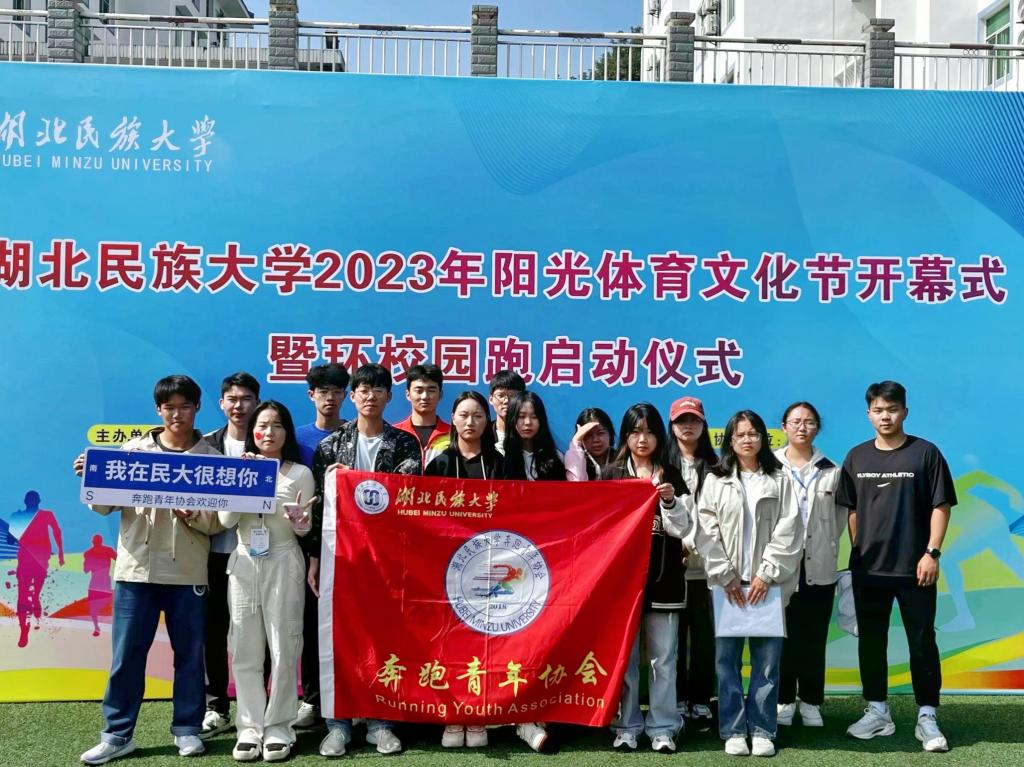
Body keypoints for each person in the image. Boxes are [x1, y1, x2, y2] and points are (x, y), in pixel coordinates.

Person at [72, 375, 225, 765]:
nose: (177, 414)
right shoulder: (132, 451)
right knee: (127, 657)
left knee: (189, 656)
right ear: (158, 410)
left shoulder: (211, 458)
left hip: (187, 573)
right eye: (169, 407)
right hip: (135, 571)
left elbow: (219, 522)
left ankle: (187, 729)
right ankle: (117, 735)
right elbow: (103, 505)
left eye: (185, 406)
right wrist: (91, 476)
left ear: (197, 408)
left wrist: (193, 514)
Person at [309, 363, 422, 757]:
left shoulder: (405, 444)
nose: (370, 396)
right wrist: (314, 557)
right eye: (363, 389)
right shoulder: (329, 447)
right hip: (340, 558)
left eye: (378, 389)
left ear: (389, 397)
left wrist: (353, 480)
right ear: (351, 396)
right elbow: (320, 508)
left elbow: (404, 496)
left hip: (388, 560)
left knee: (384, 639)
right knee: (339, 638)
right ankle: (338, 724)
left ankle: (381, 723)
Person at [838, 381, 957, 753]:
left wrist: (932, 553)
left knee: (922, 642)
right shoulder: (857, 457)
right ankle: (878, 711)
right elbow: (852, 510)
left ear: (904, 411)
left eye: (892, 409)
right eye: (878, 410)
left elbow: (941, 506)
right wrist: (860, 550)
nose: (885, 416)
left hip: (915, 568)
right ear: (868, 414)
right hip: (868, 571)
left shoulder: (925, 453)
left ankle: (927, 715)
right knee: (871, 643)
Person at [696, 410, 801, 758]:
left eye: (753, 433)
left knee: (767, 664)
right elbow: (705, 529)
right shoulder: (716, 480)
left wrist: (766, 573)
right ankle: (733, 729)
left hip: (766, 587)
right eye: (740, 434)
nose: (747, 439)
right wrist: (724, 574)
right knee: (726, 663)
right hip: (726, 587)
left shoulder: (779, 479)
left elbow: (790, 529)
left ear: (763, 439)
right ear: (729, 440)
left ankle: (762, 729)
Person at [219, 401, 315, 762]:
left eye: (276, 425)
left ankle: (279, 727)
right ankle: (249, 728)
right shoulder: (238, 468)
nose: (268, 432)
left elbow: (304, 528)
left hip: (284, 560)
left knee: (284, 646)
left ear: (286, 432)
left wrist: (300, 521)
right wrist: (243, 481)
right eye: (262, 425)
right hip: (244, 561)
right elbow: (226, 520)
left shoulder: (299, 473)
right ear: (252, 431)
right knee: (245, 647)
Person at [601, 403, 690, 753]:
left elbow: (683, 528)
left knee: (663, 659)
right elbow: (600, 527)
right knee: (624, 659)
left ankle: (663, 726)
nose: (643, 439)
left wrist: (669, 502)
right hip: (621, 585)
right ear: (625, 435)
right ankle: (626, 725)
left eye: (650, 432)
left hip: (663, 578)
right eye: (636, 432)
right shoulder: (611, 474)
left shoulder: (671, 473)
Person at [425, 390, 502, 749]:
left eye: (478, 416)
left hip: (492, 566)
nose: (470, 422)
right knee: (451, 642)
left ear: (487, 421)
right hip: (448, 568)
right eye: (463, 415)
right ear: (453, 419)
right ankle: (452, 714)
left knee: (487, 642)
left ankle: (479, 714)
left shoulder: (501, 463)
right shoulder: (440, 463)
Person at [773, 402, 844, 728]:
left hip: (819, 565)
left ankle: (812, 701)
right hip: (779, 565)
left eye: (810, 422)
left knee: (814, 636)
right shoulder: (769, 466)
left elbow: (840, 518)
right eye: (796, 421)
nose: (802, 427)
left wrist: (822, 545)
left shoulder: (832, 470)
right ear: (784, 426)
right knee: (781, 636)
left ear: (817, 427)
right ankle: (784, 700)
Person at [199, 371, 261, 739]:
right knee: (212, 631)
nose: (239, 406)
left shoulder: (269, 441)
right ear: (222, 403)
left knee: (256, 634)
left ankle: (259, 705)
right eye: (232, 399)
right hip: (210, 554)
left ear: (257, 402)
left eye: (246, 399)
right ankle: (216, 706)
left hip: (256, 556)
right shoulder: (205, 446)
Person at [294, 362, 349, 730]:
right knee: (311, 625)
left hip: (348, 546)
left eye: (336, 391)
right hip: (304, 545)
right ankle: (312, 700)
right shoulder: (296, 438)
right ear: (311, 395)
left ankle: (350, 697)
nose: (330, 398)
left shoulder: (354, 435)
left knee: (348, 625)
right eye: (323, 392)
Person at [665, 396, 718, 729]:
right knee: (671, 640)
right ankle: (676, 698)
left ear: (703, 424)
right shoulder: (663, 465)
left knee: (704, 637)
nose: (688, 426)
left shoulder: (718, 466)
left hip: (707, 568)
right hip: (670, 567)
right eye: (681, 420)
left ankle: (700, 698)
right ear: (671, 426)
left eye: (694, 420)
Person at [8, 490, 64, 648]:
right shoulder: (22, 516)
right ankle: (24, 630)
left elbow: (10, 540)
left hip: (37, 559)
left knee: (26, 593)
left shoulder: (41, 515)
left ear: (26, 502)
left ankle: (33, 603)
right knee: (23, 594)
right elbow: (57, 531)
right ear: (38, 501)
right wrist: (60, 553)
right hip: (32, 560)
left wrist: (60, 553)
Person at [502, 391, 567, 482]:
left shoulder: (555, 457)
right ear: (512, 419)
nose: (528, 422)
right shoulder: (501, 455)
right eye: (521, 416)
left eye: (534, 417)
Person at [395, 364, 451, 467]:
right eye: (419, 391)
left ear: (440, 394)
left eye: (431, 390)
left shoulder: (453, 435)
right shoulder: (394, 434)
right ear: (408, 394)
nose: (425, 396)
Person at [565, 407, 616, 481]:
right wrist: (576, 441)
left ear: (610, 434)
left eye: (600, 433)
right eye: (588, 435)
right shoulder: (579, 461)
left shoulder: (622, 459)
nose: (596, 440)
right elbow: (576, 485)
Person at [83, 534, 117, 637]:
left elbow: (85, 570)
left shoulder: (90, 553)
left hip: (99, 581)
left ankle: (98, 627)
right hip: (99, 581)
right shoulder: (90, 553)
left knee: (102, 604)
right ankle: (96, 627)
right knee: (95, 605)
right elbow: (86, 569)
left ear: (93, 542)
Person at [487, 370, 526, 454]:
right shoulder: (483, 433)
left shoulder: (528, 433)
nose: (506, 401)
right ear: (491, 399)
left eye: (513, 396)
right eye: (501, 395)